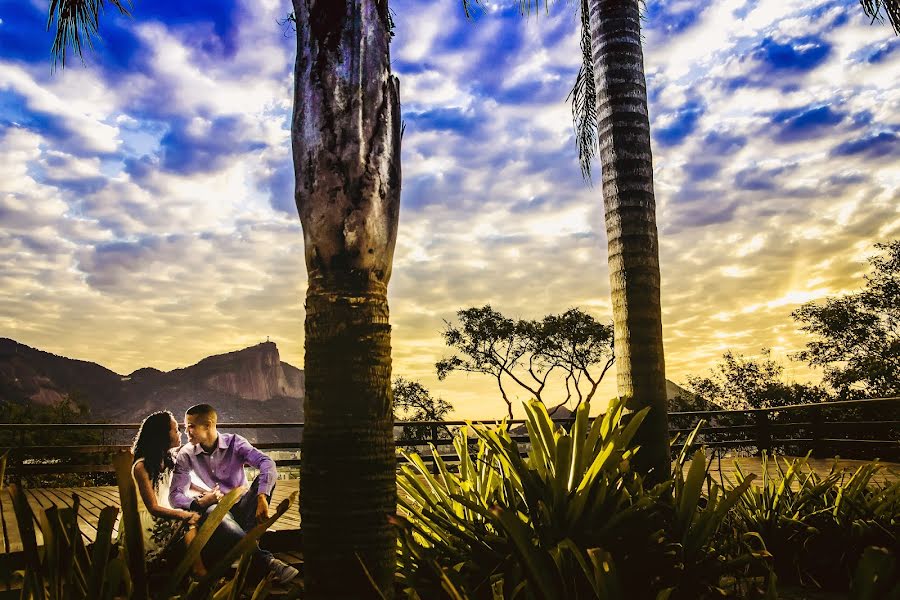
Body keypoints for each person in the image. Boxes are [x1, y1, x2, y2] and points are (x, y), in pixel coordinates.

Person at [168, 404, 298, 584]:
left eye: (191, 426)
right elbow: (175, 495)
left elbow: (267, 463)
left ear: (208, 425)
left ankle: (240, 548)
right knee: (216, 514)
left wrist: (261, 496)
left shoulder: (235, 442)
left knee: (266, 477)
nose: (186, 432)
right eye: (184, 426)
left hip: (245, 504)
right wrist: (199, 503)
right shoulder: (186, 454)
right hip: (218, 509)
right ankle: (268, 561)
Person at [131, 411, 209, 576]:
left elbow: (186, 483)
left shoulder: (168, 460)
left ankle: (192, 567)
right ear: (162, 435)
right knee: (188, 520)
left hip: (163, 513)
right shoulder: (141, 466)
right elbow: (152, 507)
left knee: (202, 513)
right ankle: (200, 572)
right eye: (175, 430)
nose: (179, 433)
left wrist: (206, 491)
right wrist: (182, 514)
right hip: (145, 521)